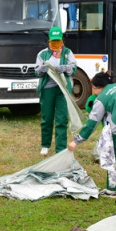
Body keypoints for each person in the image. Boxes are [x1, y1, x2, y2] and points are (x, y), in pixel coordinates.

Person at [69, 71, 116, 199]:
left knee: (115, 157)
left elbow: (92, 123)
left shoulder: (101, 98)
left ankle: (111, 190)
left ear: (95, 87)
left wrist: (76, 141)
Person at [34, 26, 77, 155]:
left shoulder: (67, 52)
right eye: (53, 41)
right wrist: (41, 69)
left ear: (62, 40)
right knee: (47, 117)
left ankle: (60, 148)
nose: (56, 43)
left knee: (62, 119)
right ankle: (45, 145)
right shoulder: (42, 54)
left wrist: (65, 68)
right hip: (48, 89)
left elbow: (74, 68)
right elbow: (36, 71)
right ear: (49, 40)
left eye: (58, 41)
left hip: (63, 90)